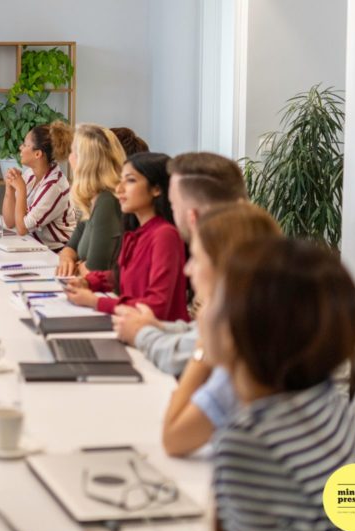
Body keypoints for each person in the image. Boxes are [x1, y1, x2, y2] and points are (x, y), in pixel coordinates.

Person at [203, 238, 355, 531]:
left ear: (234, 329)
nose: (201, 308)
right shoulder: (324, 402)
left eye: (213, 297)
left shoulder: (250, 442)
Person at [159, 204, 281, 457]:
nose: (187, 269)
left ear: (224, 267)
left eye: (195, 258)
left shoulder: (244, 362)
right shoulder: (274, 333)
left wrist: (203, 349)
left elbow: (173, 438)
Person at [112, 152, 248, 376]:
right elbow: (198, 333)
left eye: (173, 204)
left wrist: (141, 333)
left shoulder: (233, 270)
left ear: (192, 216)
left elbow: (200, 350)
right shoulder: (242, 251)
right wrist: (158, 328)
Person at [64, 152, 189, 321]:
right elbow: (123, 275)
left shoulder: (165, 235)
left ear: (156, 189)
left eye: (130, 180)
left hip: (157, 336)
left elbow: (156, 307)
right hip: (133, 329)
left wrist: (95, 301)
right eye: (121, 180)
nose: (119, 189)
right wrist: (90, 282)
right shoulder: (135, 232)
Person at [56, 124, 126, 275]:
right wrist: (68, 259)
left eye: (73, 152)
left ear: (86, 163)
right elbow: (70, 247)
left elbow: (95, 271)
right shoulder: (92, 200)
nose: (69, 158)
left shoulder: (107, 201)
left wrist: (81, 266)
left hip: (101, 295)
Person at [1, 121, 76, 251]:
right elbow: (10, 222)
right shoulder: (31, 174)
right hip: (35, 246)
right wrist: (9, 189)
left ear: (38, 154)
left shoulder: (54, 186)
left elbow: (22, 228)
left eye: (25, 144)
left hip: (57, 252)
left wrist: (20, 189)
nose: (20, 147)